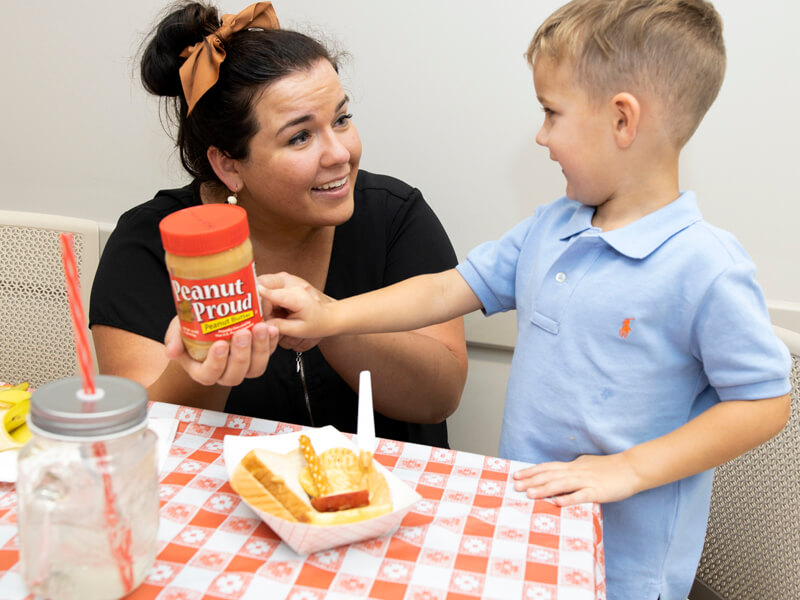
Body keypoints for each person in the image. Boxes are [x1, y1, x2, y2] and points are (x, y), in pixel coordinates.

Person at [258, 0, 792, 597]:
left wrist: (630, 469)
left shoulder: (705, 267)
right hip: (525, 534)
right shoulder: (551, 228)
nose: (540, 136)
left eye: (551, 113)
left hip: (625, 573)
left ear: (622, 120)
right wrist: (332, 315)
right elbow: (445, 288)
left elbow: (764, 403)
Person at [89, 1, 468, 448]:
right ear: (228, 165)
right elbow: (142, 440)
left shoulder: (395, 216)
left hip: (385, 501)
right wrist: (200, 368)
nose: (340, 154)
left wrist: (331, 322)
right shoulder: (148, 247)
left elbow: (438, 397)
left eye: (342, 119)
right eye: (300, 137)